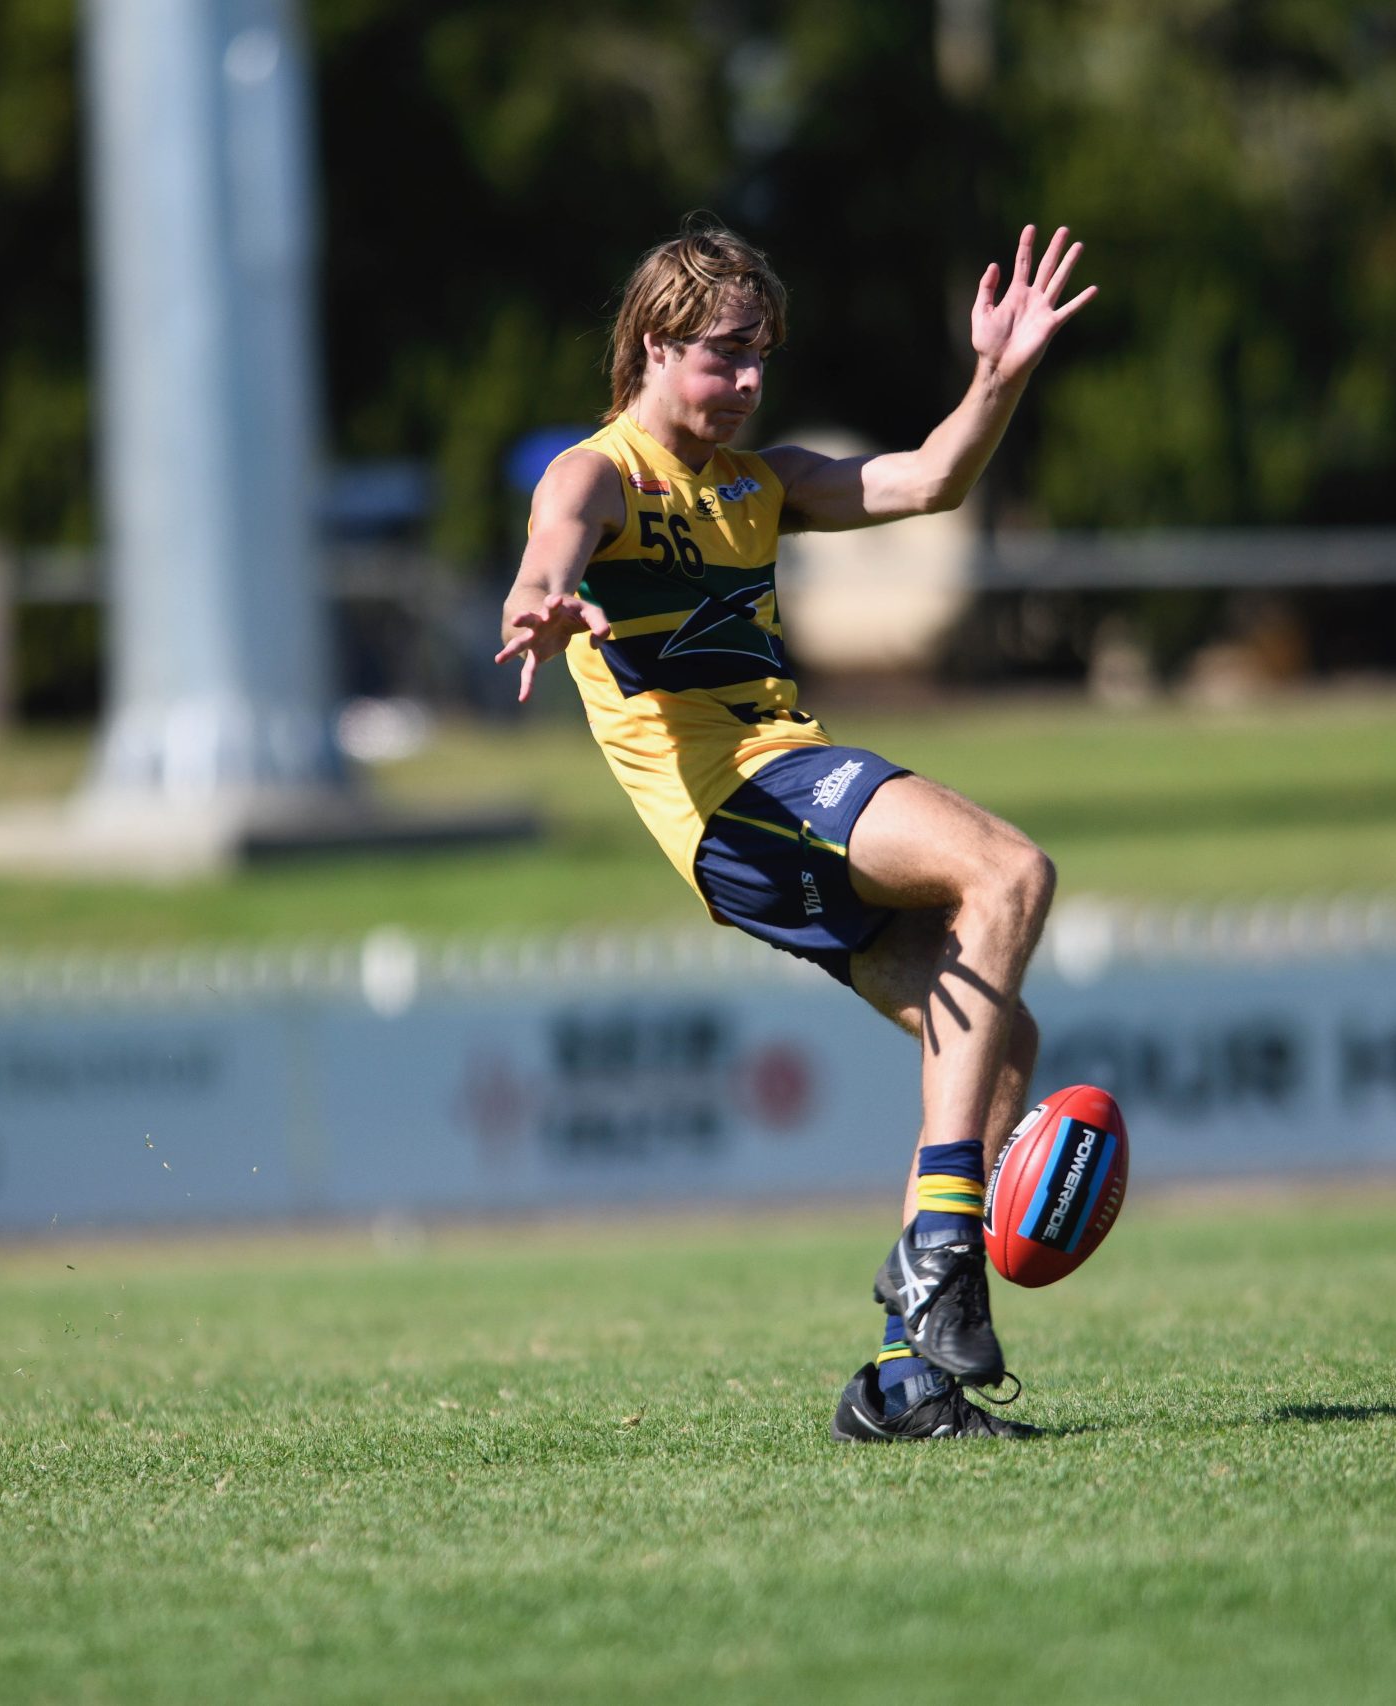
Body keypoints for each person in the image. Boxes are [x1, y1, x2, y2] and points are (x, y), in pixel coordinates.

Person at [497, 217, 1095, 1441]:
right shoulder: (600, 471)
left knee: (997, 1038)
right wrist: (538, 599)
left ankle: (903, 1382)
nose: (752, 377)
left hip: (766, 822)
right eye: (727, 353)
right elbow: (552, 537)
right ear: (656, 345)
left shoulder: (762, 484)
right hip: (750, 794)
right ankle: (936, 1247)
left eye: (763, 353)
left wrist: (1000, 374)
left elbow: (931, 478)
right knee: (1010, 871)